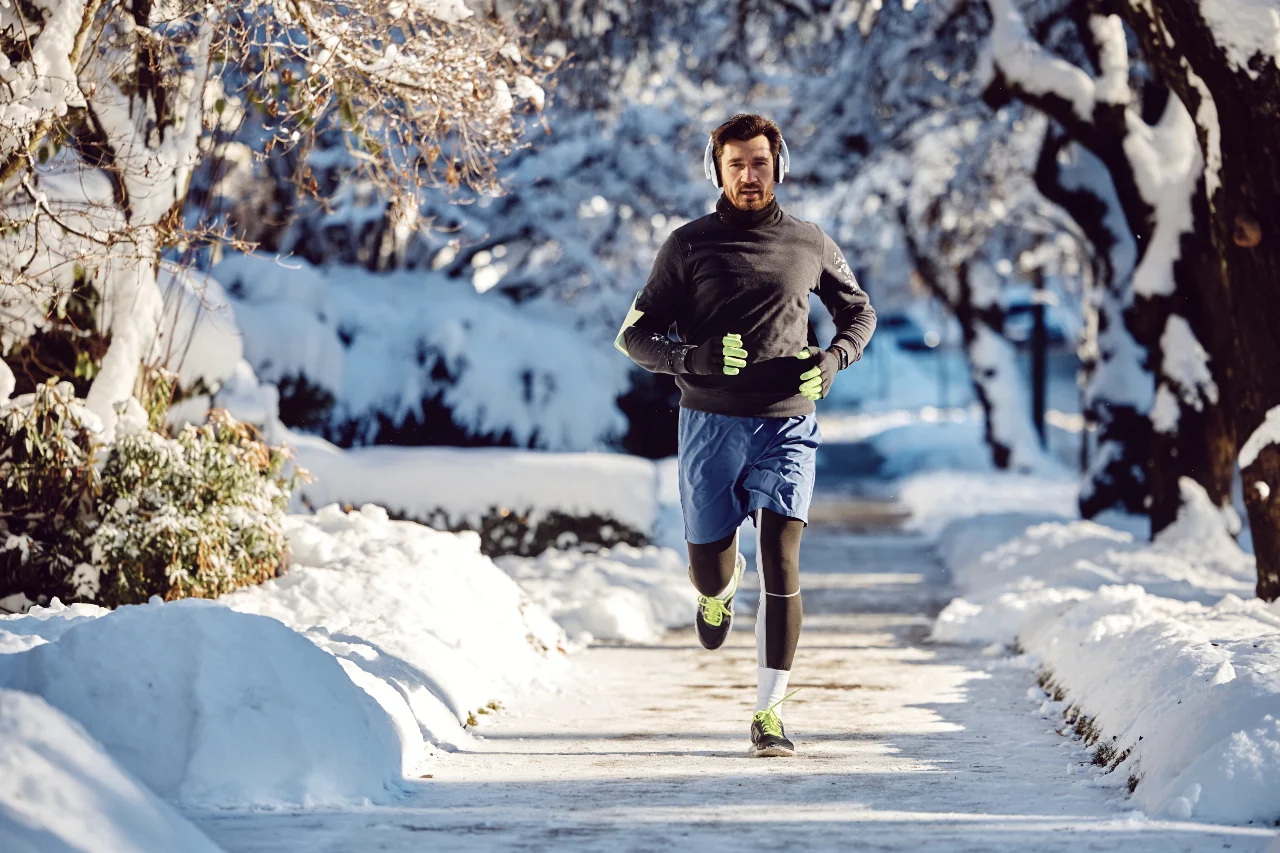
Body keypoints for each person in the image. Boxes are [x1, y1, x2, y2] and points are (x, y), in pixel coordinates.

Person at [615, 113, 876, 757]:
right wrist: (690, 359)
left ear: (777, 165)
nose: (749, 176)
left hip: (787, 422)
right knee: (711, 563)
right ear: (718, 170)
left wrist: (833, 358)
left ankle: (770, 714)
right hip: (709, 424)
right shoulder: (687, 246)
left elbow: (859, 313)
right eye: (736, 164)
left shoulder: (810, 242)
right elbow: (634, 336)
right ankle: (717, 593)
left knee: (782, 558)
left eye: (760, 162)